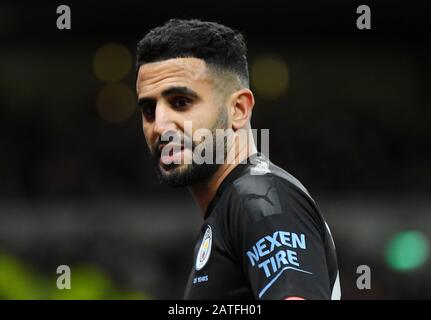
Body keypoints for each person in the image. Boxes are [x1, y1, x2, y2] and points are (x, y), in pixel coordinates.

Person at [135, 19, 341, 300]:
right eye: (148, 109)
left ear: (239, 109)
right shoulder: (232, 206)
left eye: (181, 102)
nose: (159, 125)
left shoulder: (259, 198)